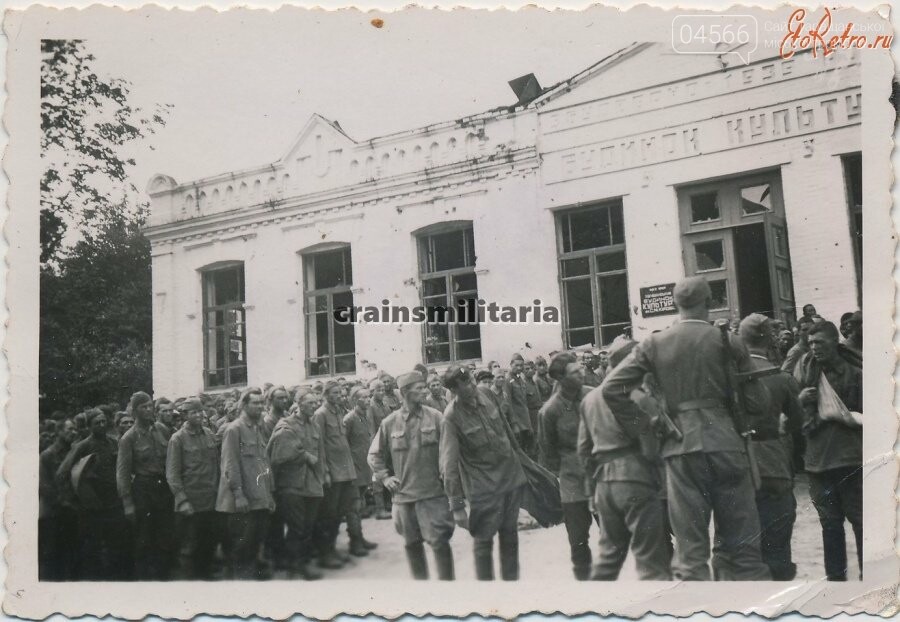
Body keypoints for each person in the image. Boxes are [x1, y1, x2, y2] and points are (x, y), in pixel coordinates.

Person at [602, 276, 771, 581]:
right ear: (709, 302)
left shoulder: (654, 342)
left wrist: (649, 423)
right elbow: (759, 402)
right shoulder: (728, 340)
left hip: (680, 447)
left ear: (676, 304)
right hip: (727, 444)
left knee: (691, 553)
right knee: (745, 550)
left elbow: (612, 388)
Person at [578, 339, 672, 580]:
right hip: (636, 478)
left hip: (604, 483)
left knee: (609, 556)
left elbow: (583, 450)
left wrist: (591, 491)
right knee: (651, 561)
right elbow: (651, 449)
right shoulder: (637, 397)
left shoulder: (589, 399)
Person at [440, 365, 527, 580]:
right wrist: (457, 507)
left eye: (471, 379)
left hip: (510, 480)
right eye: (466, 384)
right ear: (454, 390)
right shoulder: (451, 417)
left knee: (510, 536)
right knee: (483, 541)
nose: (472, 385)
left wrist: (521, 464)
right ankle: (487, 596)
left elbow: (507, 431)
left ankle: (511, 589)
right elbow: (449, 465)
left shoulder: (487, 394)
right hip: (484, 489)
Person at [368, 372, 456, 580]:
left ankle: (450, 592)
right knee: (411, 545)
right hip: (404, 498)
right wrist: (385, 477)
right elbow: (374, 455)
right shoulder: (389, 423)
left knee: (440, 543)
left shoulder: (435, 417)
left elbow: (449, 451)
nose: (425, 391)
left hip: (433, 495)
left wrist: (447, 477)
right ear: (406, 392)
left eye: (425, 387)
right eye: (420, 388)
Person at [794, 321, 863, 581]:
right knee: (830, 526)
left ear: (835, 342)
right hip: (818, 462)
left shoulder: (855, 374)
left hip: (849, 458)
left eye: (819, 342)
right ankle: (836, 583)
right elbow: (790, 415)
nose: (814, 348)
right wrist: (800, 401)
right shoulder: (803, 373)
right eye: (810, 343)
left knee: (860, 522)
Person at [739, 314, 805, 581]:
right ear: (769, 340)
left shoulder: (730, 376)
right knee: (777, 540)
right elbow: (798, 422)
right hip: (774, 463)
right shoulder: (782, 378)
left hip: (737, 465)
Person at [537, 352, 594, 580]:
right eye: (574, 372)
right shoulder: (549, 411)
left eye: (580, 368)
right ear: (560, 378)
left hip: (600, 474)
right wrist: (568, 469)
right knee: (578, 539)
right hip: (572, 481)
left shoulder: (593, 397)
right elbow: (548, 452)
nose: (581, 372)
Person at [56, 408, 130, 580]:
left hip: (114, 504)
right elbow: (62, 473)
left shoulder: (114, 443)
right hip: (93, 508)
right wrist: (74, 500)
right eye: (97, 423)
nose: (102, 425)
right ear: (89, 426)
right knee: (93, 550)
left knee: (117, 546)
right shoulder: (82, 446)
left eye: (104, 421)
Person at [216, 387, 276, 580]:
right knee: (243, 545)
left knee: (257, 541)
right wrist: (239, 494)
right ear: (244, 405)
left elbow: (263, 463)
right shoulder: (234, 429)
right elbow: (230, 465)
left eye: (261, 403)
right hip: (242, 499)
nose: (259, 407)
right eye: (255, 403)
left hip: (259, 497)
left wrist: (270, 495)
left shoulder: (257, 428)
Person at [266, 391, 327, 580]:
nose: (314, 406)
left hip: (311, 482)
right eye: (309, 402)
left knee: (308, 527)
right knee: (296, 527)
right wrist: (304, 455)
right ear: (298, 404)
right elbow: (278, 455)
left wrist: (323, 474)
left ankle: (301, 562)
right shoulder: (286, 425)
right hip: (291, 484)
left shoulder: (314, 424)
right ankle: (295, 566)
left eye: (316, 402)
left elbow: (320, 452)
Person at [117, 391, 176, 580]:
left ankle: (163, 577)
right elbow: (123, 472)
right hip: (143, 490)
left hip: (163, 489)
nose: (149, 410)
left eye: (150, 405)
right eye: (144, 407)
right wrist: (127, 503)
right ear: (135, 411)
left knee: (165, 537)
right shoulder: (129, 438)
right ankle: (144, 581)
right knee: (144, 539)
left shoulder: (162, 430)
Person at [165, 397, 220, 580]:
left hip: (211, 500)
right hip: (191, 503)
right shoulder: (177, 439)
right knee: (190, 546)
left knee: (209, 542)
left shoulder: (209, 434)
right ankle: (191, 584)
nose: (198, 415)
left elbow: (217, 466)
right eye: (193, 412)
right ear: (185, 415)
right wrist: (182, 501)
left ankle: (206, 578)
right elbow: (172, 474)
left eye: (200, 411)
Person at [313, 380, 358, 568]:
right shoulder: (320, 415)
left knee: (339, 513)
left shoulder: (339, 412)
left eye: (340, 393)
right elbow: (319, 445)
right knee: (329, 515)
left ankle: (332, 549)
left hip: (345, 470)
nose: (340, 396)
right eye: (336, 393)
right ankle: (325, 553)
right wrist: (325, 472)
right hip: (333, 472)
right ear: (326, 395)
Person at [39, 418, 79, 581]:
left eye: (74, 430)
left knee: (71, 552)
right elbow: (44, 485)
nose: (73, 433)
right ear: (59, 432)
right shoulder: (48, 455)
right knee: (52, 553)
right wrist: (62, 501)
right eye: (69, 430)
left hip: (72, 511)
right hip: (54, 513)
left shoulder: (75, 453)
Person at [343, 386, 379, 555]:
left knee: (360, 504)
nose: (368, 399)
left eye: (368, 396)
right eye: (364, 397)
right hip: (353, 469)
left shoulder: (365, 417)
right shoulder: (349, 419)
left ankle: (360, 538)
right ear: (355, 400)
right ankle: (355, 542)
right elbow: (344, 445)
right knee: (353, 506)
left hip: (364, 468)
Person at [260, 384, 291, 571]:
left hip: (287, 472)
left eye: (285, 398)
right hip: (274, 473)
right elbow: (266, 451)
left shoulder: (285, 417)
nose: (284, 401)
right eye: (280, 398)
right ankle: (275, 554)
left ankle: (281, 551)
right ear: (270, 400)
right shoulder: (267, 422)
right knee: (275, 518)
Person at [367, 379, 393, 520]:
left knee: (388, 472)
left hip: (387, 444)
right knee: (377, 477)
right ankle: (379, 509)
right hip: (377, 445)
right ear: (372, 392)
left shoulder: (385, 404)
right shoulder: (370, 406)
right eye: (379, 390)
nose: (382, 392)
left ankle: (388, 503)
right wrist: (374, 448)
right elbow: (371, 429)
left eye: (383, 390)